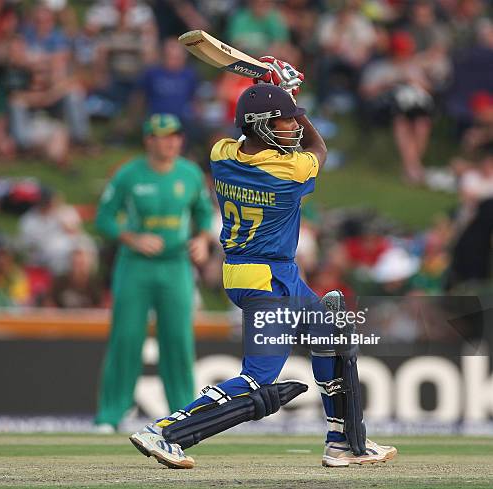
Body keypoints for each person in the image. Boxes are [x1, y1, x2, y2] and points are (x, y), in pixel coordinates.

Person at [129, 61, 397, 469]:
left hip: (262, 271)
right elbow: (318, 149)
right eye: (286, 122)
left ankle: (342, 441)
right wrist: (293, 98)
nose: (294, 127)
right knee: (259, 378)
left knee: (329, 330)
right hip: (265, 281)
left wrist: (271, 92)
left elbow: (246, 134)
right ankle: (164, 432)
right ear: (261, 126)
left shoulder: (221, 155)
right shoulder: (288, 172)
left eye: (293, 122)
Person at [94, 113, 212, 431]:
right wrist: (132, 237)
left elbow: (204, 216)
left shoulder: (190, 174)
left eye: (176, 135)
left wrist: (202, 240)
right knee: (126, 338)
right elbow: (104, 218)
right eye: (164, 136)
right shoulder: (129, 175)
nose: (172, 142)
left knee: (177, 340)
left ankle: (183, 416)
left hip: (176, 266)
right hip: (135, 266)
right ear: (149, 140)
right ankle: (110, 415)